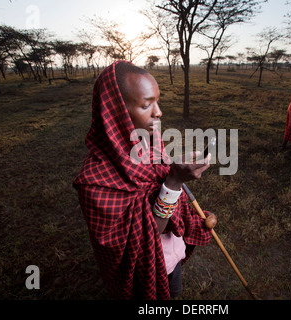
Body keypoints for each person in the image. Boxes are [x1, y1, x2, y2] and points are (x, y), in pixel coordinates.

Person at [73, 61, 215, 300]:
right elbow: (140, 241)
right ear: (115, 111)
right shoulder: (94, 181)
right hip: (144, 270)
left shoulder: (148, 142)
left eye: (157, 102)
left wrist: (176, 177)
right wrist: (173, 182)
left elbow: (162, 193)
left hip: (171, 256)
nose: (158, 112)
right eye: (147, 105)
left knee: (174, 292)